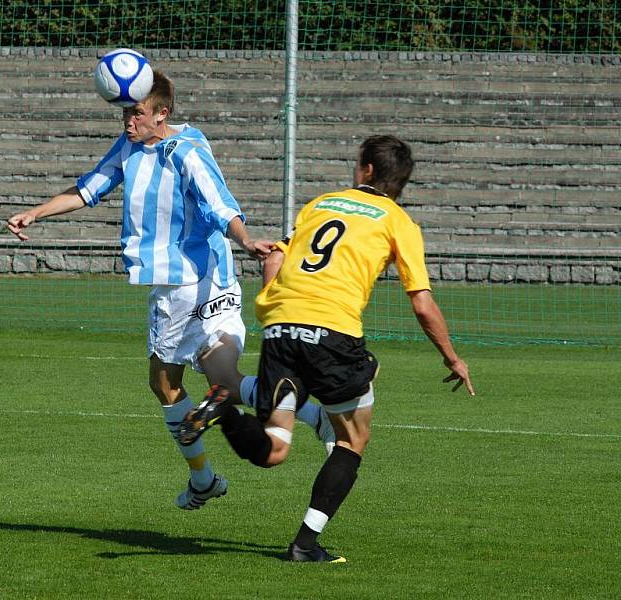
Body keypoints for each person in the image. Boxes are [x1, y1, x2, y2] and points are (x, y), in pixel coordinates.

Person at [7, 66, 335, 511]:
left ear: (161, 113)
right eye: (125, 112)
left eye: (137, 113)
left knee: (164, 386)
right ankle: (315, 416)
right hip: (211, 280)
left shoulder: (187, 151)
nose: (128, 121)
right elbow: (89, 189)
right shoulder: (130, 147)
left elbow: (220, 205)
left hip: (184, 286)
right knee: (225, 379)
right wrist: (35, 213)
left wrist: (245, 239)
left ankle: (203, 479)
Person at [177, 134, 475, 560]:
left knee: (274, 450)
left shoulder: (321, 204)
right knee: (352, 440)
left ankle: (225, 409)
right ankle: (304, 544)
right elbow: (423, 304)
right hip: (333, 333)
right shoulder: (399, 222)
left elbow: (274, 259)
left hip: (282, 329)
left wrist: (275, 315)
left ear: (368, 170)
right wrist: (453, 357)